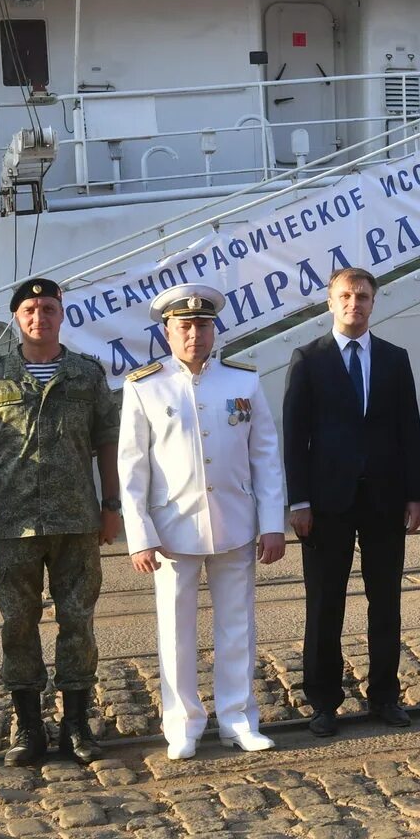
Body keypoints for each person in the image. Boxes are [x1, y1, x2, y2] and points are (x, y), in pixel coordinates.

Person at [118, 284, 286, 759]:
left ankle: (238, 718)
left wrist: (272, 522)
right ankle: (183, 725)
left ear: (215, 330)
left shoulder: (243, 381)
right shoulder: (144, 386)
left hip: (235, 521)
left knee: (238, 627)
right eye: (185, 326)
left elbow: (266, 457)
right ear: (167, 331)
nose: (195, 334)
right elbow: (132, 470)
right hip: (172, 530)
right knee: (176, 630)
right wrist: (140, 536)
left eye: (203, 325)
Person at [0, 277, 121, 767]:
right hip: (14, 525)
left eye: (48, 308)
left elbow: (107, 443)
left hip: (77, 522)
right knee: (18, 626)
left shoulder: (86, 374)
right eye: (29, 309)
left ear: (61, 314)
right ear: (16, 318)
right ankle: (29, 727)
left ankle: (76, 725)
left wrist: (111, 506)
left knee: (79, 623)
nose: (39, 316)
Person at [281, 267, 420, 736]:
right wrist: (297, 501)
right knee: (325, 603)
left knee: (386, 601)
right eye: (345, 296)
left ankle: (384, 694)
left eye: (362, 297)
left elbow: (409, 430)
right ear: (330, 302)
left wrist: (414, 493)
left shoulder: (395, 358)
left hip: (384, 498)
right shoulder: (308, 359)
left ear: (373, 302)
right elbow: (294, 438)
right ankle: (323, 701)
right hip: (325, 503)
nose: (353, 304)